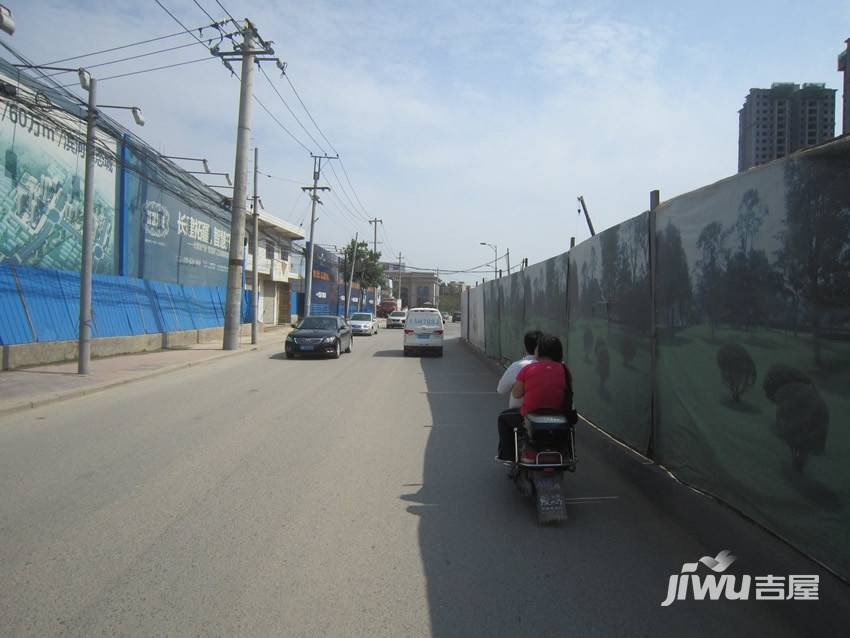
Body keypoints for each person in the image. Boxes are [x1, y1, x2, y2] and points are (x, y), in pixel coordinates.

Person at [496, 331, 542, 460]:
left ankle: (507, 456)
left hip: (523, 415)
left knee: (503, 418)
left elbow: (501, 389)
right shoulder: (558, 366)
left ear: (525, 347)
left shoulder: (519, 366)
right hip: (554, 413)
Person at [512, 334, 572, 417]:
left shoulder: (528, 369)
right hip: (558, 414)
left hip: (530, 415)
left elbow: (516, 394)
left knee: (503, 418)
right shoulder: (565, 370)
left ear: (540, 350)